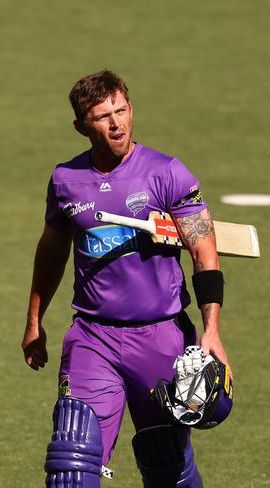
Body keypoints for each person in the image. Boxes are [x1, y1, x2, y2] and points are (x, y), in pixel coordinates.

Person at [21, 70, 231, 487]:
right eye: (103, 116)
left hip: (161, 337)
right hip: (92, 337)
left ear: (131, 109)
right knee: (70, 465)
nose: (116, 123)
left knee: (165, 464)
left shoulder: (167, 173)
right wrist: (34, 321)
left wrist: (212, 330)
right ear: (82, 126)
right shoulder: (66, 180)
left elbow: (205, 251)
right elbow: (51, 250)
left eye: (121, 110)